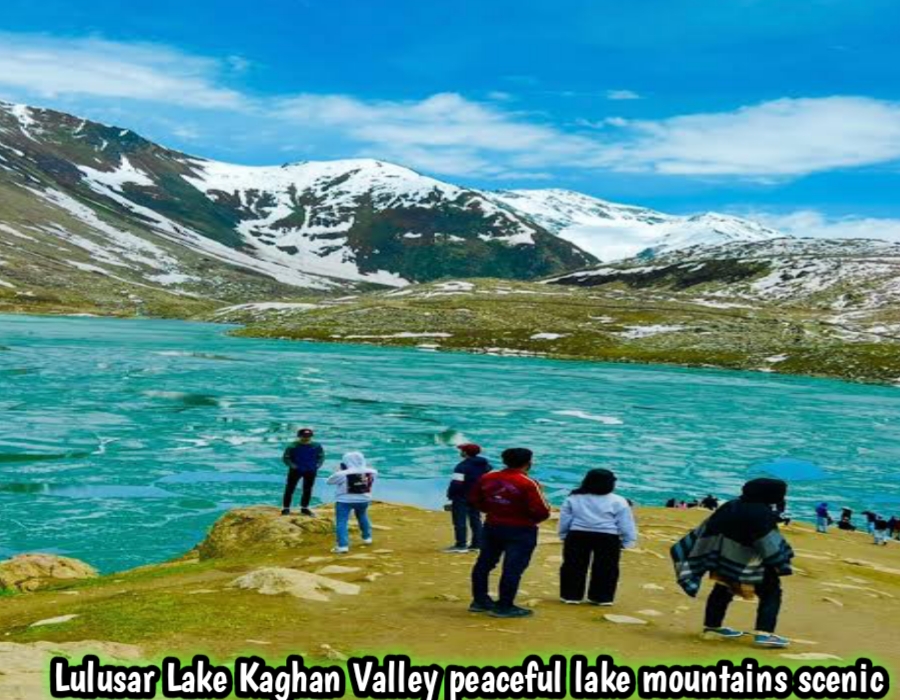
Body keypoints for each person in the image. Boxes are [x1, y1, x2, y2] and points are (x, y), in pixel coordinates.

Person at [671, 478, 794, 649]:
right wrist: (780, 560)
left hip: (724, 559)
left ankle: (712, 628)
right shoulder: (762, 513)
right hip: (753, 564)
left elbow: (707, 529)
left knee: (722, 591)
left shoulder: (731, 505)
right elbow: (768, 543)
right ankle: (764, 633)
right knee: (771, 594)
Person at [468, 447, 551, 619]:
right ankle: (505, 605)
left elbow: (475, 499)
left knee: (484, 563)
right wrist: (528, 520)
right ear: (528, 463)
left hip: (492, 525)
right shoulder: (528, 483)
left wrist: (493, 511)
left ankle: (479, 600)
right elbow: (542, 511)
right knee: (512, 568)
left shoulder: (488, 477)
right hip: (520, 529)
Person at [558, 468, 637, 606]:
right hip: (608, 536)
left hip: (577, 534)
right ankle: (602, 597)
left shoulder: (574, 497)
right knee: (607, 567)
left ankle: (571, 595)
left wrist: (563, 534)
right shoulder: (618, 501)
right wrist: (628, 540)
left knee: (573, 565)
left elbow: (565, 518)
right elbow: (625, 523)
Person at [326, 452, 377, 553]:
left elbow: (329, 482)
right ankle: (367, 538)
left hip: (344, 501)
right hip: (364, 499)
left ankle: (342, 546)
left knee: (342, 522)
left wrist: (340, 470)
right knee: (363, 516)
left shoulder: (342, 474)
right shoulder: (372, 471)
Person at [445, 444, 492, 553]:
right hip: (477, 496)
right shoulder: (484, 464)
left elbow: (456, 483)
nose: (460, 452)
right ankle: (477, 544)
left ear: (465, 452)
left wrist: (450, 494)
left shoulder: (461, 466)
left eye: (461, 450)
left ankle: (460, 544)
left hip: (461, 496)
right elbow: (488, 472)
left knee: (459, 521)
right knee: (476, 519)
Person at [281, 428, 325, 516]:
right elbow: (286, 458)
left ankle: (304, 508)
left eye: (308, 436)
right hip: (296, 470)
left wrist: (318, 465)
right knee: (290, 488)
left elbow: (321, 456)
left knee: (307, 489)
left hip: (310, 470)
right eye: (304, 436)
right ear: (299, 436)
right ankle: (286, 508)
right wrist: (293, 466)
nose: (306, 438)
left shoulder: (316, 445)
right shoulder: (292, 446)